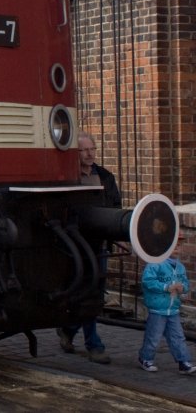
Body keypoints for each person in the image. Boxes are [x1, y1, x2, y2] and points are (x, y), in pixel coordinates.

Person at [56, 131, 121, 364]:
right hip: (75, 245)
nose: (89, 153)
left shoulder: (105, 177)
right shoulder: (68, 177)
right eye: (83, 150)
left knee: (94, 291)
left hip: (97, 244)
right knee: (82, 290)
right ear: (75, 153)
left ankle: (74, 332)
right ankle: (86, 339)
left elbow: (115, 206)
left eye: (92, 149)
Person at [137, 241, 196, 374]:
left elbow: (185, 283)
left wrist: (183, 288)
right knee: (154, 337)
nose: (176, 248)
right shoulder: (155, 264)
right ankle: (145, 358)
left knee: (178, 337)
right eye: (173, 246)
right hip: (158, 308)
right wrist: (165, 287)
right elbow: (148, 281)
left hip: (173, 309)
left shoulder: (180, 267)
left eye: (178, 246)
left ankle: (183, 362)